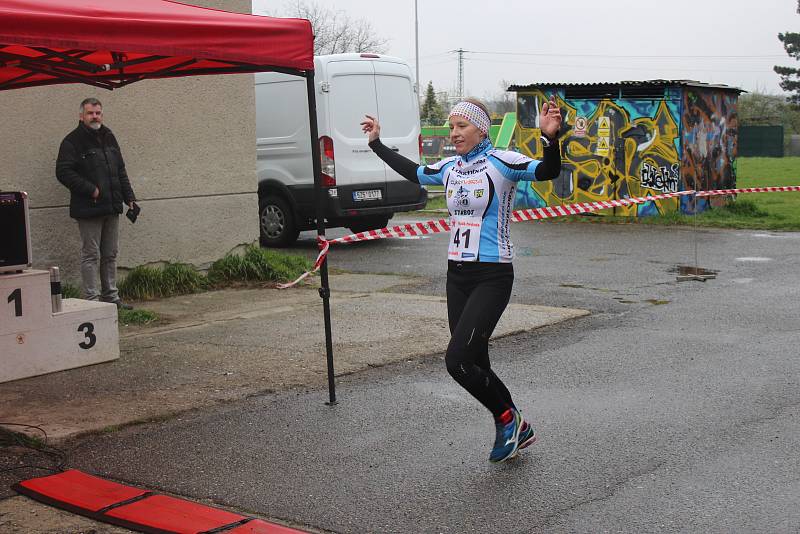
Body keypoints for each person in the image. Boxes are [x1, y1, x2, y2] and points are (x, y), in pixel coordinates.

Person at [360, 97, 562, 463]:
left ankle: (506, 420)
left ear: (481, 128)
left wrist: (551, 139)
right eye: (451, 127)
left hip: (492, 274)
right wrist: (376, 144)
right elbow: (415, 172)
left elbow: (548, 171)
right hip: (458, 275)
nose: (454, 134)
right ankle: (518, 425)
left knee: (458, 361)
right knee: (476, 362)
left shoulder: (504, 162)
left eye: (461, 126)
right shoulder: (451, 167)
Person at [56, 98, 138, 310]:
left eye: (98, 113)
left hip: (111, 207)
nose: (95, 117)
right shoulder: (72, 141)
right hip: (88, 208)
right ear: (81, 116)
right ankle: (91, 301)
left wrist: (129, 197)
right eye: (91, 113)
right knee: (91, 255)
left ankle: (111, 297)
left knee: (110, 254)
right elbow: (63, 172)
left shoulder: (109, 136)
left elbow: (120, 170)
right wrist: (90, 189)